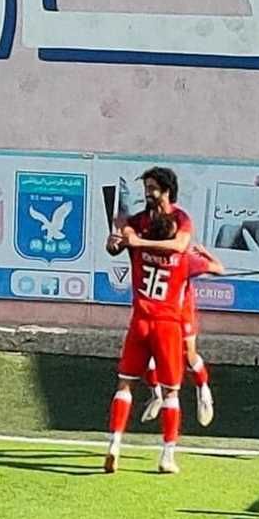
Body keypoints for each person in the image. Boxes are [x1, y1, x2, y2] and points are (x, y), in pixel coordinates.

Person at [104, 167, 192, 474]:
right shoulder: (155, 225)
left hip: (141, 319)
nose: (147, 193)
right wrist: (116, 241)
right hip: (166, 323)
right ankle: (167, 455)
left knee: (125, 384)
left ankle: (115, 443)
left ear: (167, 191)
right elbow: (116, 247)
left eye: (153, 188)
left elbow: (174, 244)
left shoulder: (160, 225)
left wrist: (133, 242)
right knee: (171, 391)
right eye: (147, 187)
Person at [141, 243, 224, 427]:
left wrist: (205, 254)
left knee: (188, 355)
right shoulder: (147, 253)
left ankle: (203, 390)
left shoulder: (184, 259)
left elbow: (219, 269)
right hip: (155, 314)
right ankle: (156, 395)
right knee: (147, 357)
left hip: (181, 314)